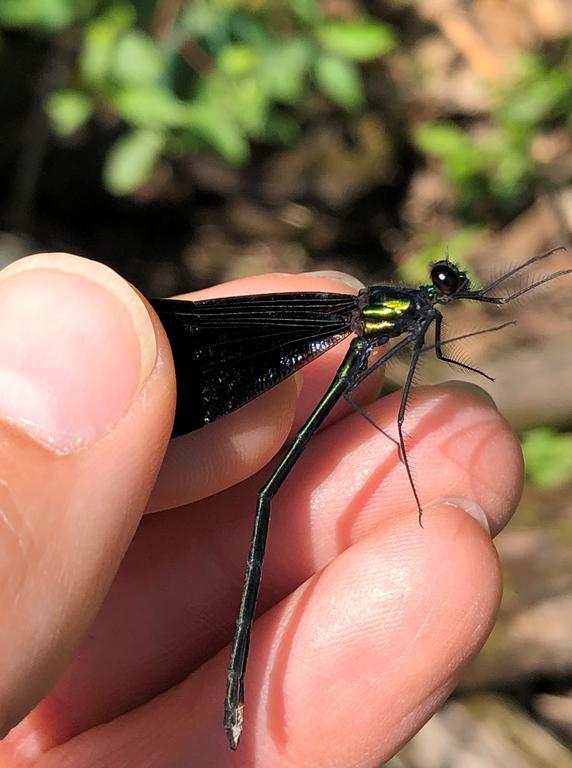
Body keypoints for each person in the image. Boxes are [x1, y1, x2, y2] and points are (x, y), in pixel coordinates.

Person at [0, 253, 522, 766]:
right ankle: (237, 697)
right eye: (445, 281)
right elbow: (413, 390)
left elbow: (448, 354)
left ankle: (237, 695)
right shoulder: (398, 312)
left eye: (448, 283)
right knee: (267, 494)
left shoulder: (412, 311)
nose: (447, 286)